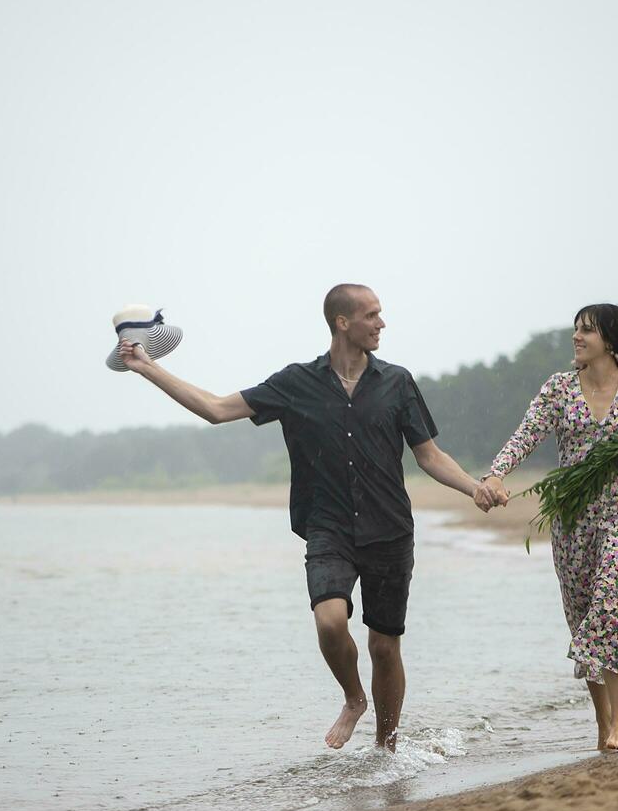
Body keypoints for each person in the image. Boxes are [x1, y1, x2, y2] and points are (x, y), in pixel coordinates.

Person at [117, 284, 499, 752]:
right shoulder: (296, 383)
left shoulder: (397, 382)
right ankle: (354, 698)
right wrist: (148, 367)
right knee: (330, 623)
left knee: (384, 646)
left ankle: (387, 747)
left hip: (389, 531)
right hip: (327, 527)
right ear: (343, 323)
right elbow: (216, 410)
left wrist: (474, 487)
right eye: (372, 315)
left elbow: (429, 455)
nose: (382, 323)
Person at [479, 304, 618, 751]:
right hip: (571, 521)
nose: (577, 337)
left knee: (611, 605)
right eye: (576, 329)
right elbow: (526, 434)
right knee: (583, 617)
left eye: (587, 330)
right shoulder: (559, 389)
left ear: (612, 340)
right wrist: (495, 473)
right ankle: (603, 723)